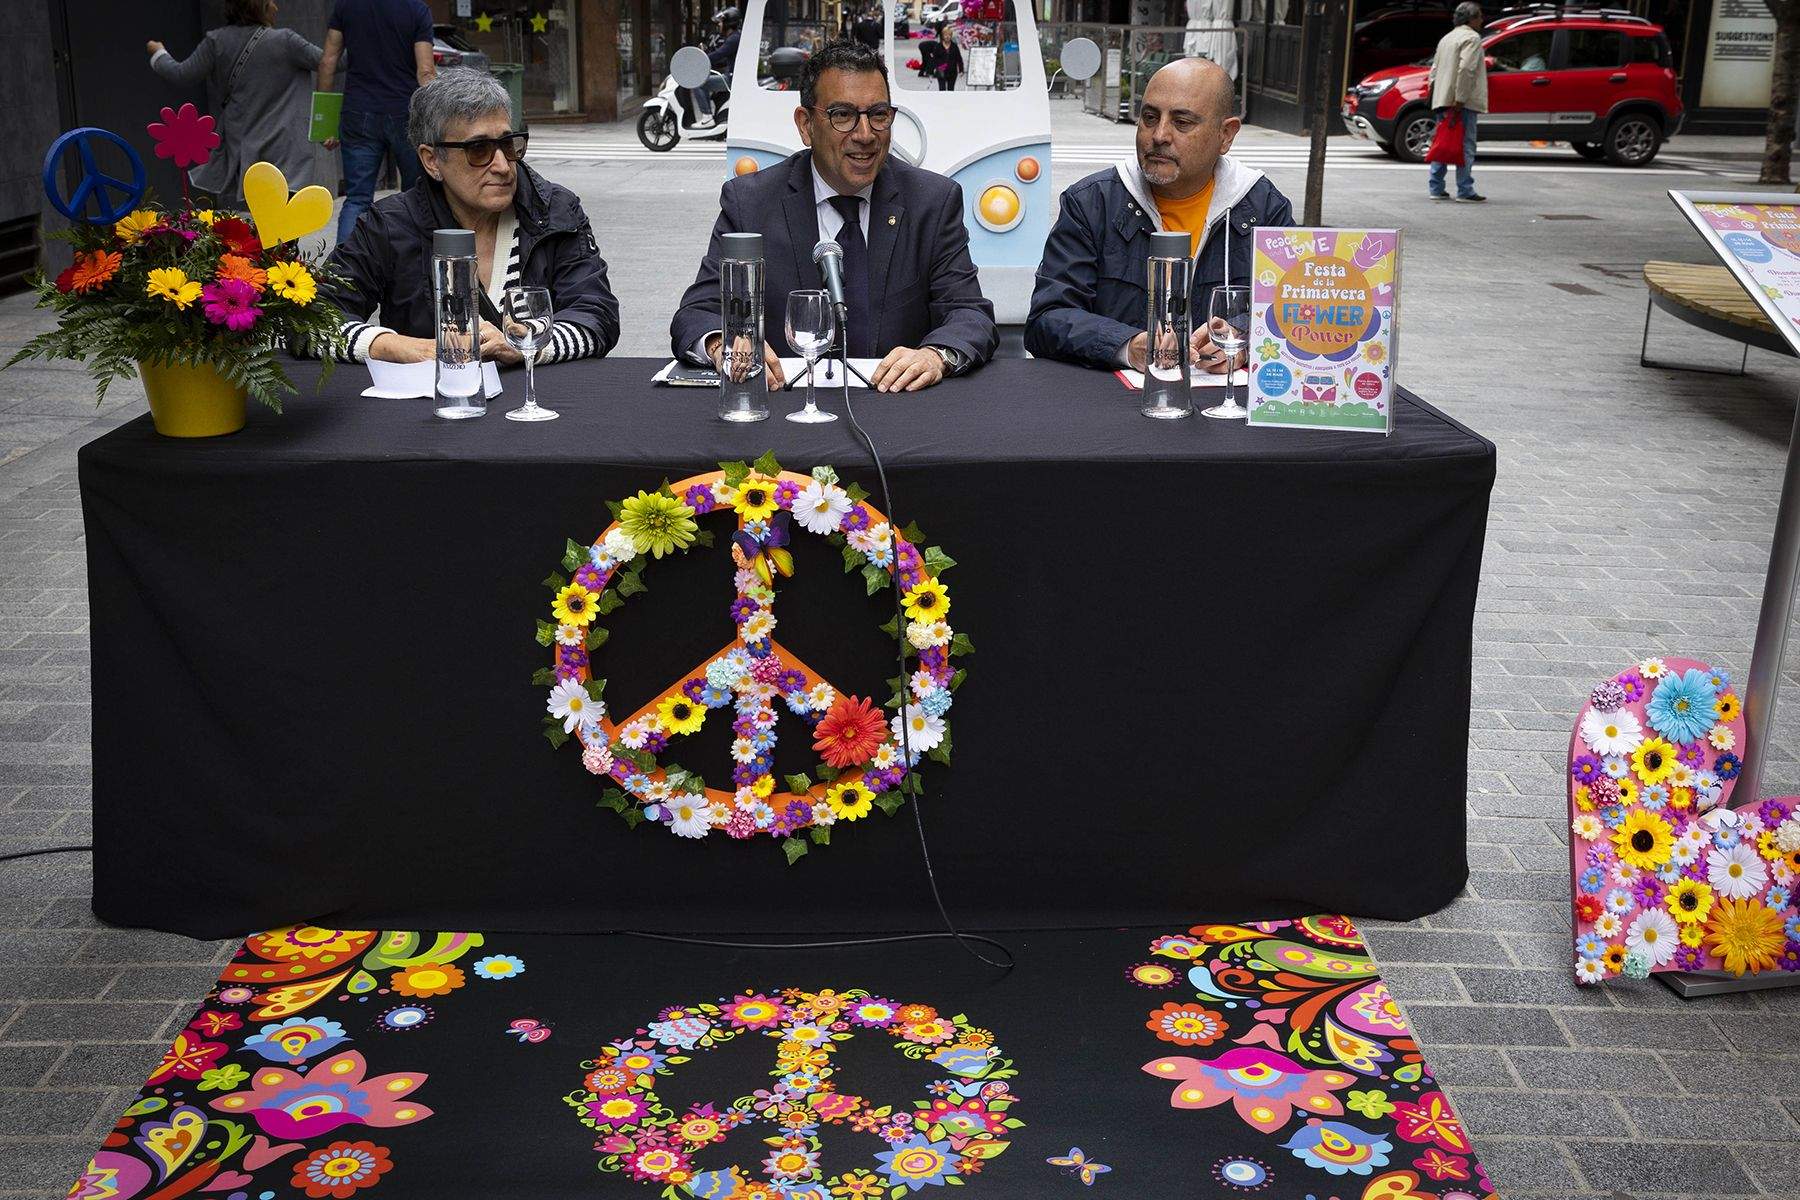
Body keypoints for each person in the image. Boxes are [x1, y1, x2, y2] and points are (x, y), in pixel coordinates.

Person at [670, 39, 996, 393]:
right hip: (783, 405)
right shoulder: (751, 203)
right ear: (806, 124)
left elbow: (969, 314)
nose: (865, 135)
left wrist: (935, 356)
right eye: (842, 115)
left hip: (897, 405)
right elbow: (698, 312)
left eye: (878, 115)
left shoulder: (932, 201)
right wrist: (724, 344)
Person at [320, 69, 619, 365]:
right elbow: (313, 320)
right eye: (478, 149)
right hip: (433, 395)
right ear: (431, 160)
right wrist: (394, 346)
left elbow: (598, 316)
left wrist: (528, 343)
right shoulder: (390, 225)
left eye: (508, 144)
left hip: (540, 395)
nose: (502, 165)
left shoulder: (554, 211)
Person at [1025, 56, 1292, 371]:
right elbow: (1047, 320)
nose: (1159, 135)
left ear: (1226, 135)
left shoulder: (1263, 208)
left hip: (1222, 394)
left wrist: (1244, 338)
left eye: (1182, 122)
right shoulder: (1092, 203)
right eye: (1150, 117)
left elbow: (1295, 312)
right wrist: (1127, 345)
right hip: (1115, 394)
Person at [146, 0, 323, 205]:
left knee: (258, 206)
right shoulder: (286, 41)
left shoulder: (216, 41)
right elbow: (330, 61)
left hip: (243, 141)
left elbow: (181, 74)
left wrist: (158, 53)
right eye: (270, 2)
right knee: (286, 207)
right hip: (285, 143)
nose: (276, 7)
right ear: (259, 7)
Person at [318, 0, 437, 243]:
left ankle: (345, 264)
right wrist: (435, 121)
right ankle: (413, 259)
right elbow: (426, 72)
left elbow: (328, 62)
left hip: (358, 111)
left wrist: (325, 123)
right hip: (405, 112)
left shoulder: (346, 6)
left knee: (357, 199)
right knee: (417, 195)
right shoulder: (417, 9)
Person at [1427, 2, 1486, 203]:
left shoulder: (1447, 38)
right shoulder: (1472, 38)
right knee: (1466, 145)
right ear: (1472, 19)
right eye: (1480, 16)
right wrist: (1460, 99)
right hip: (1461, 102)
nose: (1482, 20)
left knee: (1443, 142)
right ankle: (1465, 189)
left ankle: (1436, 187)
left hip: (1442, 99)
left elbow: (1434, 70)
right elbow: (1467, 69)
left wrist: (1436, 95)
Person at [694, 7, 741, 127]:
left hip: (731, 79)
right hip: (731, 76)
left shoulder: (733, 39)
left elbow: (718, 55)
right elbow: (723, 58)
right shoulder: (734, 37)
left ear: (728, 23)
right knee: (706, 78)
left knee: (697, 82)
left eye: (721, 22)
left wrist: (700, 59)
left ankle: (707, 117)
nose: (719, 25)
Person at [934, 24, 963, 91]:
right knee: (942, 89)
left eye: (949, 35)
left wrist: (961, 70)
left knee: (951, 90)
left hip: (952, 71)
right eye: (945, 35)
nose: (947, 37)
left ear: (951, 36)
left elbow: (959, 59)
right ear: (942, 36)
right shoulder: (938, 46)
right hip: (941, 70)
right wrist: (933, 70)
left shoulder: (954, 46)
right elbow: (934, 59)